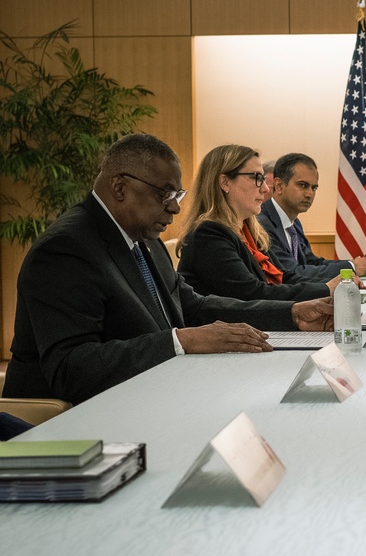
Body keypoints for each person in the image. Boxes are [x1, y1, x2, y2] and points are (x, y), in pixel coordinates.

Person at [2, 133, 334, 405]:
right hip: (73, 420)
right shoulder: (67, 249)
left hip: (152, 393)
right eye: (165, 194)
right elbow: (72, 369)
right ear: (120, 187)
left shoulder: (145, 238)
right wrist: (180, 341)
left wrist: (292, 313)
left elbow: (195, 307)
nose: (176, 207)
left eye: (178, 193)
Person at [177, 145, 350, 302]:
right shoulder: (207, 235)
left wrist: (336, 284)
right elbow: (252, 293)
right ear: (225, 182)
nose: (266, 189)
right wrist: (325, 289)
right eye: (257, 178)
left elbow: (284, 276)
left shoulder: (250, 231)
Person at [257, 153, 366, 280]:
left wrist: (355, 263)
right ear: (279, 186)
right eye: (302, 185)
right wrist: (352, 267)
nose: (309, 194)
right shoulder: (263, 223)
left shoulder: (294, 223)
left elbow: (312, 263)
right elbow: (291, 272)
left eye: (314, 187)